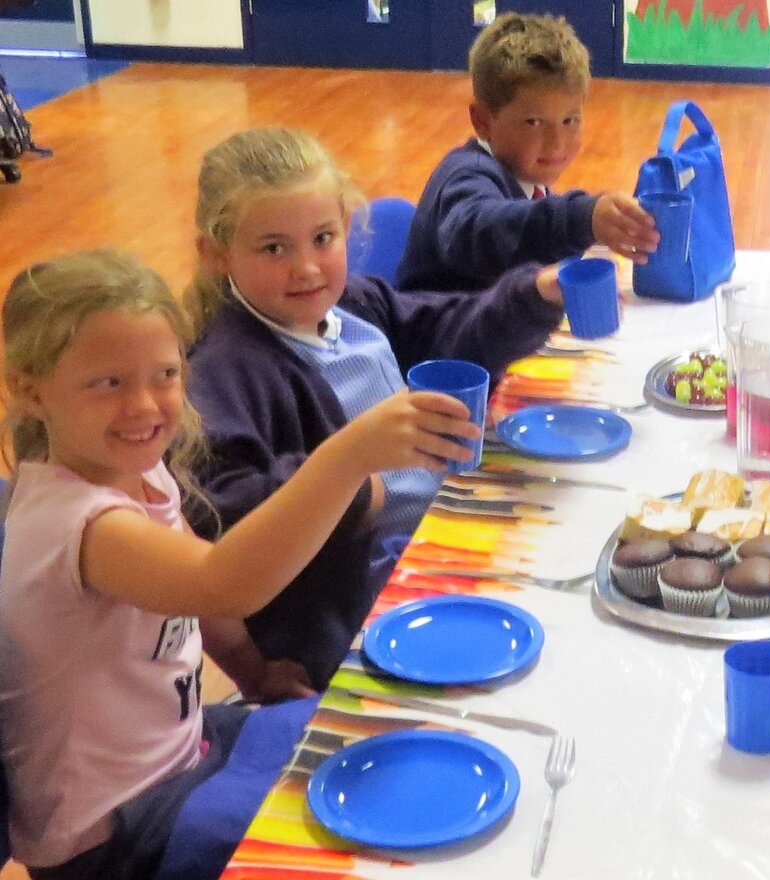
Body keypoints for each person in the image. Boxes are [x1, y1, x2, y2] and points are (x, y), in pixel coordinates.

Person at [0, 250, 482, 879]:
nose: (145, 405)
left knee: (384, 736)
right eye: (108, 383)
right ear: (31, 390)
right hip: (109, 835)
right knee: (364, 828)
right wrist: (343, 459)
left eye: (166, 373)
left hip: (183, 755)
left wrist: (255, 671)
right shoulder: (79, 524)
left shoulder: (139, 475)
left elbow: (193, 602)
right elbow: (223, 583)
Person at [184, 127, 568, 701]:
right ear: (217, 254)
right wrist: (353, 483)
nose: (307, 268)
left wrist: (535, 292)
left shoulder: (354, 306)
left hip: (441, 537)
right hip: (357, 610)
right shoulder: (225, 369)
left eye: (322, 238)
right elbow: (219, 516)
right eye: (273, 248)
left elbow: (450, 328)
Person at [396, 12, 658, 292]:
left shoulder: (528, 181)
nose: (557, 142)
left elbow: (531, 235)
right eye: (533, 123)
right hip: (440, 332)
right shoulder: (464, 177)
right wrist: (581, 219)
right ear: (482, 121)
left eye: (569, 121)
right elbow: (483, 233)